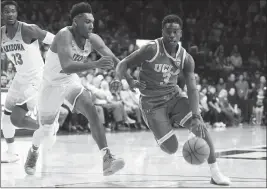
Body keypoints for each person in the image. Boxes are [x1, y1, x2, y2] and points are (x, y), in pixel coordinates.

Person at [110, 14, 231, 185]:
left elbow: (192, 88)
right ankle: (158, 125)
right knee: (171, 148)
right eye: (168, 32)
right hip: (151, 103)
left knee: (201, 127)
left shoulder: (186, 58)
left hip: (174, 97)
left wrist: (196, 117)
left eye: (175, 32)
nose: (172, 35)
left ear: (181, 33)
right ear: (162, 32)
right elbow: (123, 64)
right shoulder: (151, 49)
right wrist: (118, 78)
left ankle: (215, 173)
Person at [24, 2, 125, 176]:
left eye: (93, 21)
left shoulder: (93, 38)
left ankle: (107, 158)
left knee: (91, 109)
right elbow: (67, 65)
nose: (92, 25)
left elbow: (113, 58)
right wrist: (95, 64)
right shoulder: (64, 35)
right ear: (76, 21)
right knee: (46, 131)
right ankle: (34, 149)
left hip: (70, 81)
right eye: (87, 21)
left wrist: (124, 77)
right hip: (50, 85)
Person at [0, 0, 68, 163]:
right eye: (6, 11)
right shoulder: (1, 33)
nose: (10, 14)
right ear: (2, 14)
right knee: (6, 119)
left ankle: (48, 127)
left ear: (17, 13)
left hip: (36, 79)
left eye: (13, 11)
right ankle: (11, 153)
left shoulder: (28, 29)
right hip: (19, 78)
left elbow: (56, 41)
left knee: (16, 118)